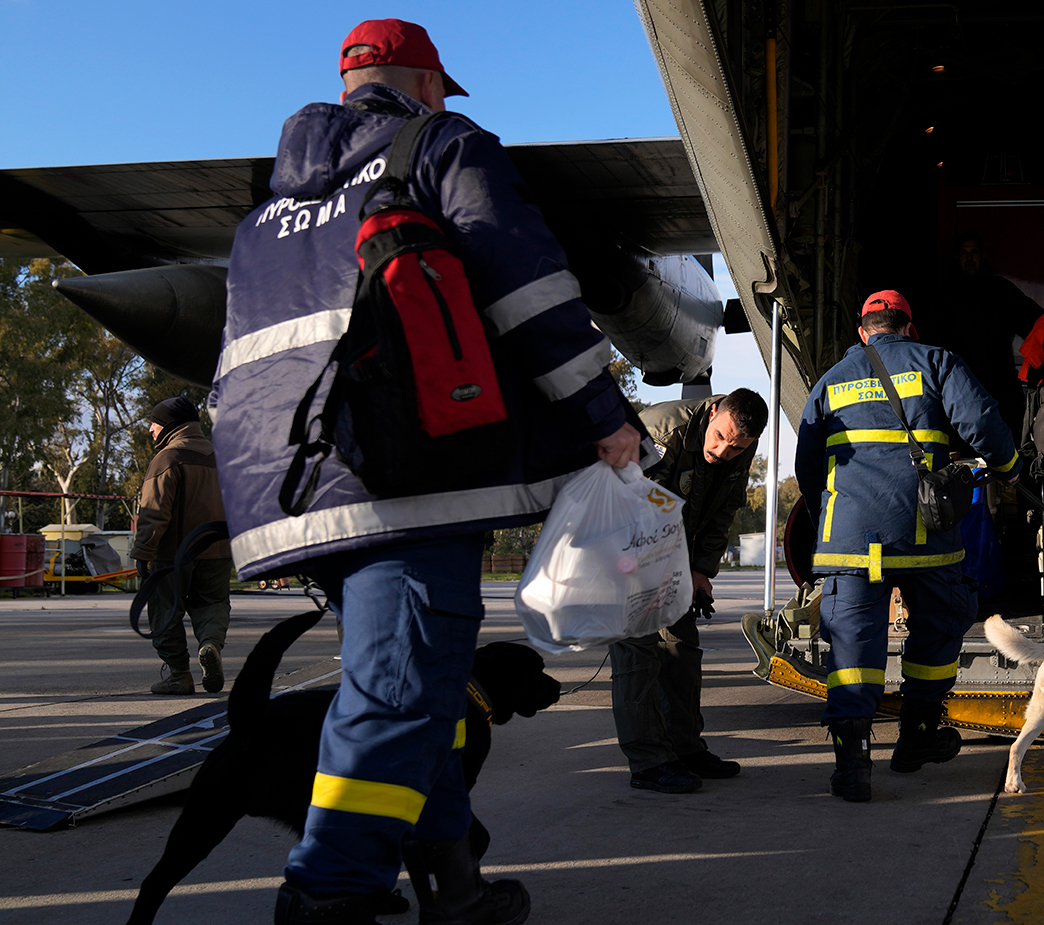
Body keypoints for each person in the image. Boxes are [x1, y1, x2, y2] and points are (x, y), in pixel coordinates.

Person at [213, 20, 649, 924]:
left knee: (428, 687)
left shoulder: (271, 213)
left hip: (286, 484)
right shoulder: (442, 146)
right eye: (439, 90)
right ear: (420, 82)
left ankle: (455, 880)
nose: (440, 104)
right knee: (400, 694)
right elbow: (526, 289)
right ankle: (328, 894)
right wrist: (606, 419)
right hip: (401, 479)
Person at [793, 290, 1019, 803]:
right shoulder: (936, 361)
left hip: (850, 543)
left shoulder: (828, 382)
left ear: (862, 332)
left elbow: (808, 467)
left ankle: (852, 766)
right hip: (924, 537)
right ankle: (916, 738)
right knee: (938, 630)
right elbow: (982, 423)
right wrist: (1007, 468)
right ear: (909, 327)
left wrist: (830, 521)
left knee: (852, 649)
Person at [610, 388, 768, 793]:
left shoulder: (739, 442)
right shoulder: (664, 432)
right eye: (719, 438)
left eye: (737, 448)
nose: (723, 451)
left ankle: (685, 749)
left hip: (673, 557)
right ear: (714, 411)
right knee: (638, 654)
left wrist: (700, 570)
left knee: (681, 649)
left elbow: (724, 508)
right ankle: (648, 762)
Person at [131, 397, 232, 695]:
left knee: (165, 612)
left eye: (154, 422)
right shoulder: (221, 456)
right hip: (218, 550)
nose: (150, 429)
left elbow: (153, 512)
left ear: (170, 425)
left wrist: (143, 552)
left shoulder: (168, 458)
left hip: (173, 554)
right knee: (212, 605)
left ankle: (179, 675)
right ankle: (210, 645)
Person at [928, 233, 1044, 433]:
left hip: (1000, 385)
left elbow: (1036, 323)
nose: (969, 258)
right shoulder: (944, 296)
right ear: (957, 257)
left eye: (973, 252)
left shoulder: (1001, 291)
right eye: (964, 253)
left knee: (1008, 444)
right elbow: (930, 341)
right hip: (958, 386)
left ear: (983, 256)